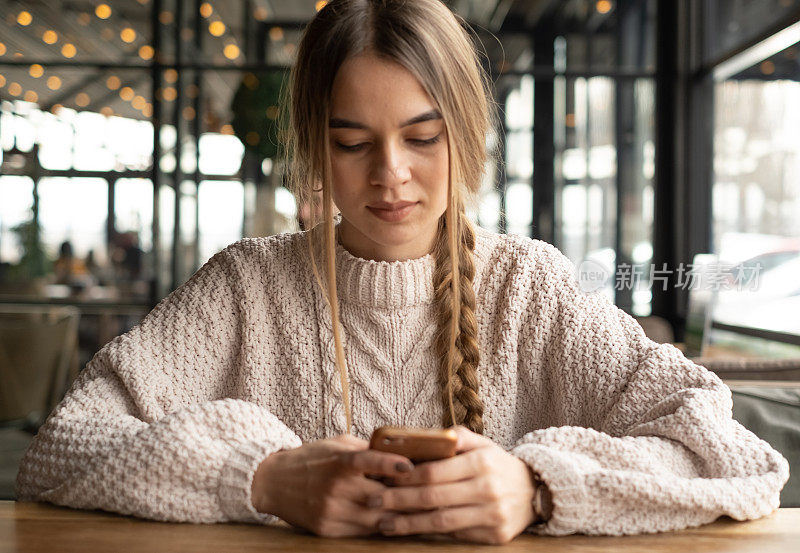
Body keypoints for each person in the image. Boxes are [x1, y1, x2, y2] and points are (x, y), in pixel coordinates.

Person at [15, 0, 788, 545]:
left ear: (468, 134)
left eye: (423, 136)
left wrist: (539, 485)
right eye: (354, 143)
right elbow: (60, 447)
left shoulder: (531, 287)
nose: (392, 174)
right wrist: (262, 477)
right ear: (319, 149)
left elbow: (734, 454)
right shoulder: (244, 287)